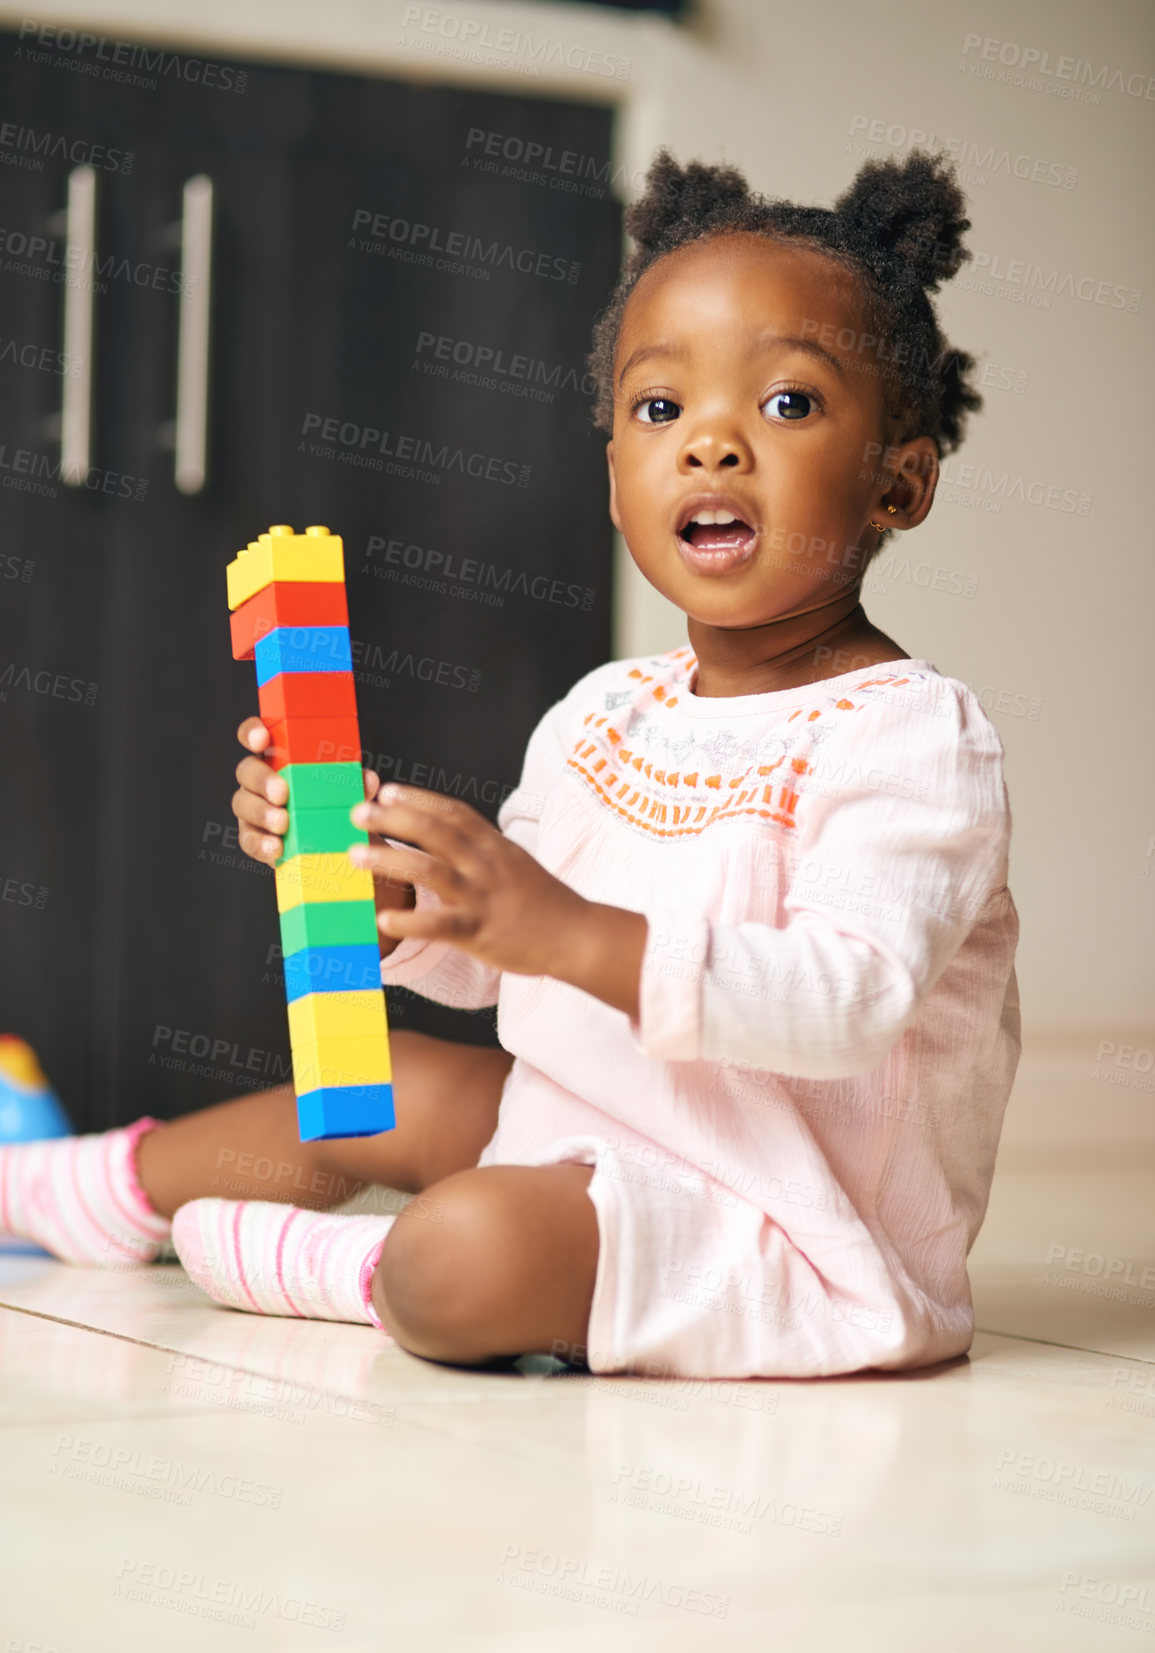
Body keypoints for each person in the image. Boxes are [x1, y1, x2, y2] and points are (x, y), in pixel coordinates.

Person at [0, 148, 1019, 1380]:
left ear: (899, 482)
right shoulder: (608, 710)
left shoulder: (911, 733)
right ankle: (68, 1189)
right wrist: (397, 891)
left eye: (788, 404)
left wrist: (560, 929)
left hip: (775, 1230)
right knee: (379, 1074)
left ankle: (360, 1274)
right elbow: (503, 966)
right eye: (659, 409)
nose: (711, 445)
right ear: (612, 480)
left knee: (467, 1250)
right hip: (590, 1127)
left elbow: (847, 1002)